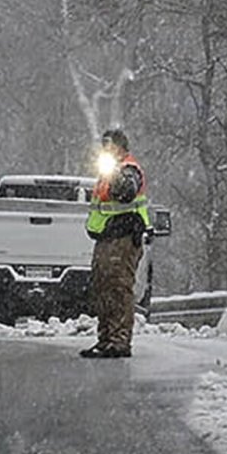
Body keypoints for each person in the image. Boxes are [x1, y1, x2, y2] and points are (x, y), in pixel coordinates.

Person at [81, 130, 149, 360]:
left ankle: (120, 341)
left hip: (124, 238)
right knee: (102, 288)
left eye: (109, 146)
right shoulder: (106, 173)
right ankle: (105, 340)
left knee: (119, 288)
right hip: (106, 238)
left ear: (120, 148)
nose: (105, 150)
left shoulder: (130, 170)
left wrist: (115, 174)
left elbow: (126, 193)